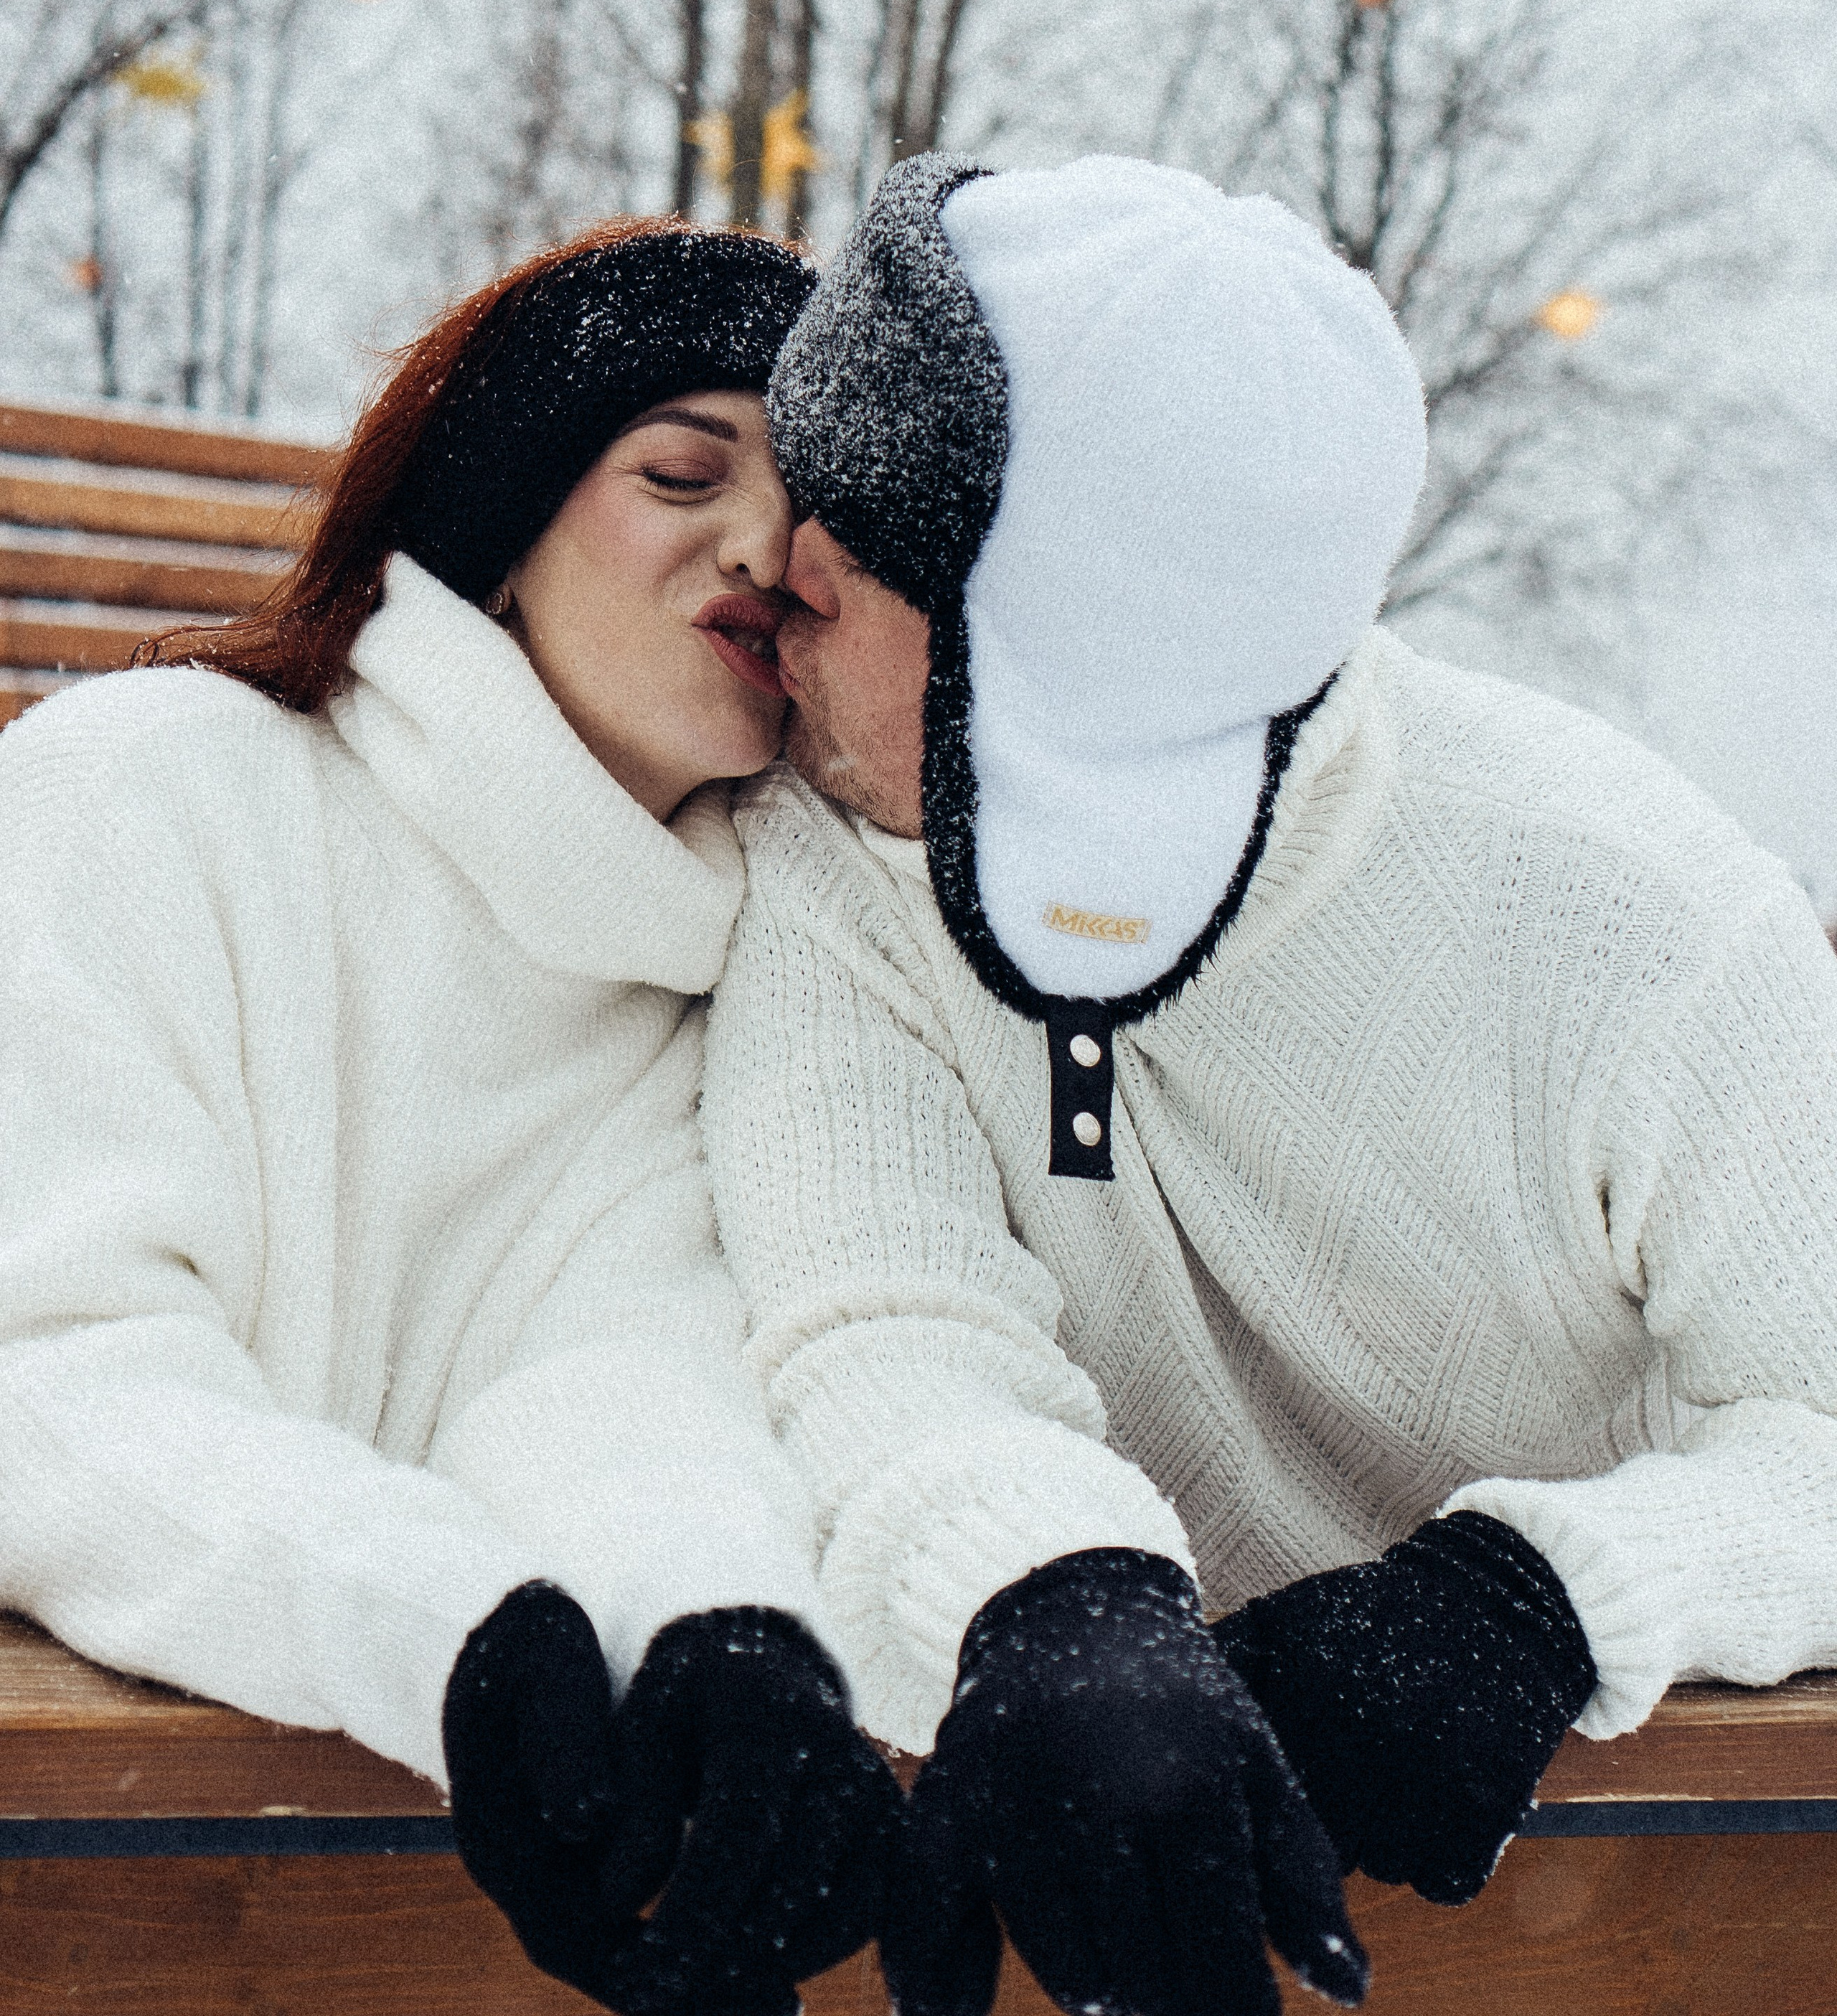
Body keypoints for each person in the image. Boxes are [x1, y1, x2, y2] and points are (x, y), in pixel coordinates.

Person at [700, 152, 1837, 2016]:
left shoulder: (1635, 915)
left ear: (1045, 668)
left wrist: (1538, 1599)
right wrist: (1049, 1583)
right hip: (1052, 1810)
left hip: (1612, 1873)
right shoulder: (831, 856)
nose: (769, 592)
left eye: (845, 567)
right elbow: (878, 1314)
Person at [0, 217, 900, 2016]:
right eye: (678, 469)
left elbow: (612, 1379)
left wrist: (715, 1626)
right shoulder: (144, 793)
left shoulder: (737, 969)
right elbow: (50, 1358)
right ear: (497, 521)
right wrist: (454, 1633)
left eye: (801, 499)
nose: (757, 541)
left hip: (395, 1913)